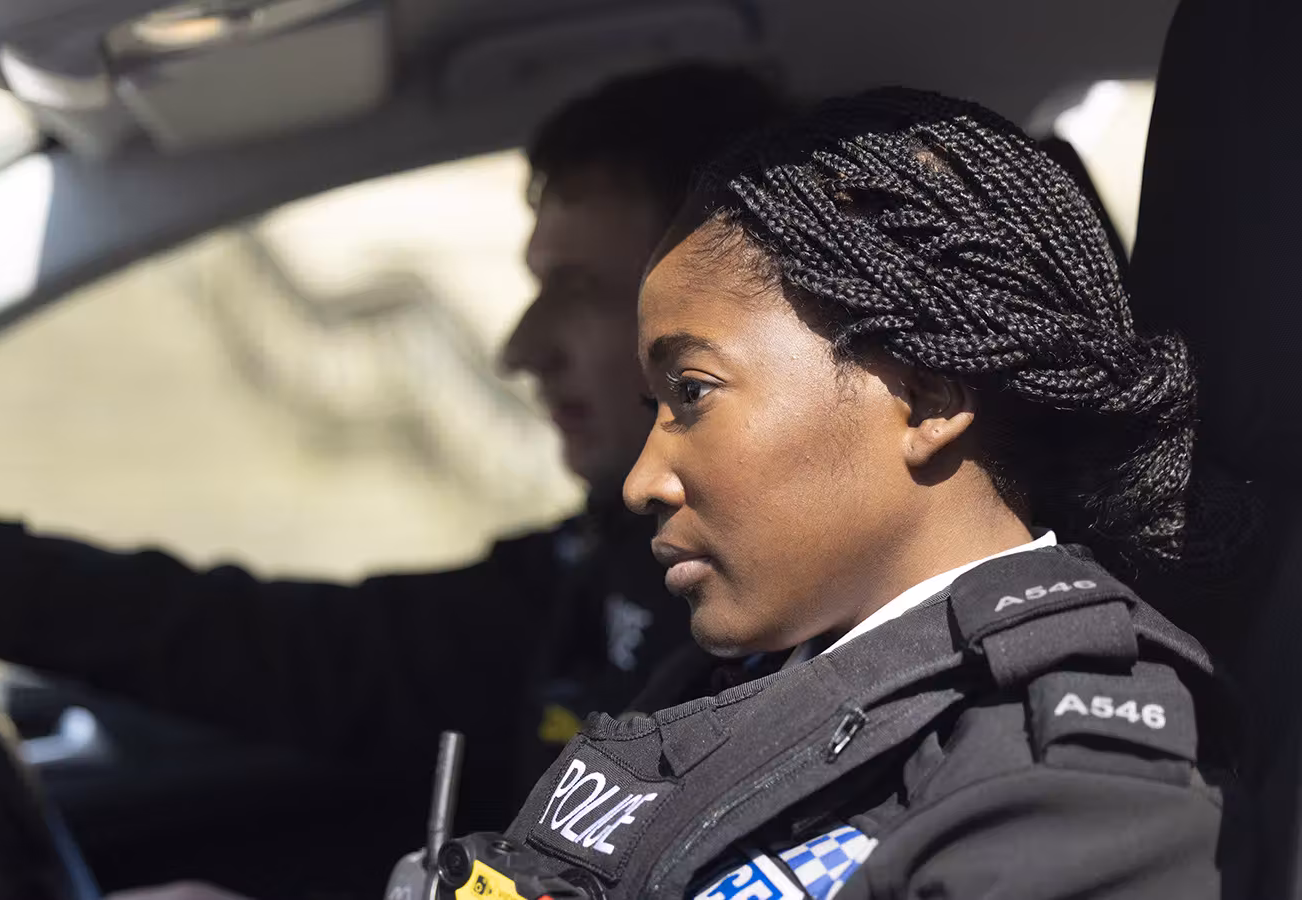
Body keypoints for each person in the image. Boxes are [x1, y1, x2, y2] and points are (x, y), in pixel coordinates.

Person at [0, 67, 789, 859]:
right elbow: (321, 655)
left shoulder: (789, 642)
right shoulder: (603, 566)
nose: (520, 350)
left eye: (580, 290)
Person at [452, 88, 1230, 900]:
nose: (643, 482)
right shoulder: (719, 679)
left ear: (926, 400)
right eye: (654, 409)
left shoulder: (1072, 794)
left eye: (692, 392)